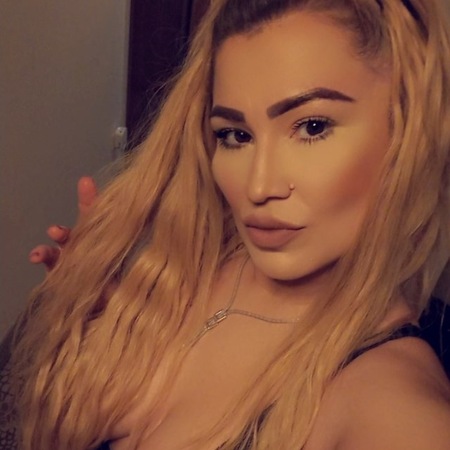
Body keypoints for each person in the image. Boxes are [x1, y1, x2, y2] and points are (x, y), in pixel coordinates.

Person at [9, 0, 450, 449]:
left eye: (312, 127)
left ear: (408, 131)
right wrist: (92, 330)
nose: (257, 187)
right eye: (235, 135)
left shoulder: (390, 400)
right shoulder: (195, 267)